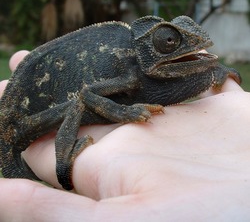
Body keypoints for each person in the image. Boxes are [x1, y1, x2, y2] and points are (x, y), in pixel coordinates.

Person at [0, 50, 250, 221]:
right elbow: (87, 96)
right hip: (22, 121)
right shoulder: (131, 69)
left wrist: (212, 69)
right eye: (169, 42)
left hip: (33, 113)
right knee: (76, 104)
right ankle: (63, 159)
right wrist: (125, 113)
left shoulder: (144, 66)